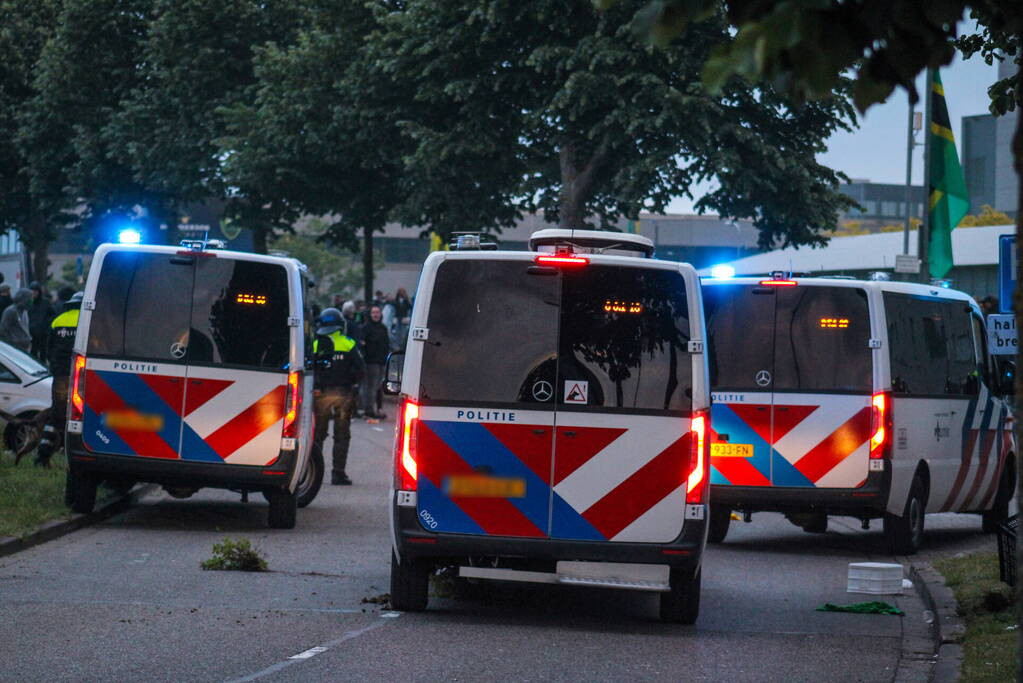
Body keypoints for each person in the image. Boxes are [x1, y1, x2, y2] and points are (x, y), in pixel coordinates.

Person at [312, 307, 365, 485]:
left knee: (318, 435)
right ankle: (338, 473)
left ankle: (312, 473)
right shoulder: (348, 343)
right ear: (341, 325)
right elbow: (361, 368)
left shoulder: (316, 344)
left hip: (321, 395)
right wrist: (353, 384)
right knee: (341, 435)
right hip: (343, 394)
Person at [35, 291, 83, 467]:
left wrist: (54, 368)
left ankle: (43, 455)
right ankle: (77, 455)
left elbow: (49, 349)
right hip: (82, 376)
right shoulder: (88, 321)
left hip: (60, 375)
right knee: (81, 415)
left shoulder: (58, 320)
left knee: (57, 415)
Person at [360, 305, 390, 419]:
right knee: (371, 386)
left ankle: (376, 409)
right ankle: (369, 409)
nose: (376, 315)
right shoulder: (366, 328)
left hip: (381, 361)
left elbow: (386, 344)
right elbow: (362, 345)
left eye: (377, 312)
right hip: (370, 361)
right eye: (373, 312)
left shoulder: (383, 328)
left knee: (377, 387)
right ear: (370, 314)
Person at [27, 281, 55, 359]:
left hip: (43, 333)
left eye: (35, 291)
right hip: (31, 332)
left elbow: (53, 314)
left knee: (43, 353)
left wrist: (47, 324)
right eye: (32, 291)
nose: (33, 293)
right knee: (33, 354)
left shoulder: (45, 302)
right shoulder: (28, 302)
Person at [0, 288, 33, 352]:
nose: (32, 300)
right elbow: (3, 331)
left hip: (25, 348)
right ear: (24, 299)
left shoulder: (24, 311)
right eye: (30, 298)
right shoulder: (11, 311)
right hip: (15, 349)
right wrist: (12, 344)